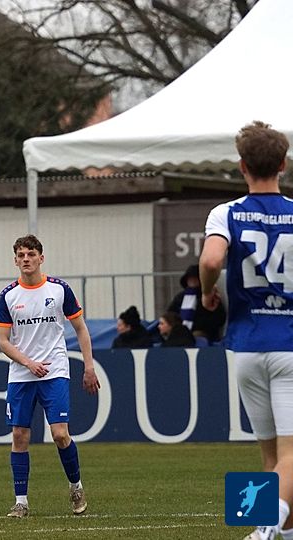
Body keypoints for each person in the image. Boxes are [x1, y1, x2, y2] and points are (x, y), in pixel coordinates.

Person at [199, 121, 293, 540]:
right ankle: (266, 526)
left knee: (271, 455)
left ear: (242, 166)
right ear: (283, 165)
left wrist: (207, 293)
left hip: (248, 346)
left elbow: (210, 261)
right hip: (289, 343)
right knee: (292, 455)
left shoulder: (226, 213)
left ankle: (267, 530)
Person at [0, 234, 100, 518]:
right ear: (15, 261)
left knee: (60, 434)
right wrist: (28, 363)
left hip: (55, 371)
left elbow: (80, 328)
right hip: (22, 374)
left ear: (41, 258)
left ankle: (76, 486)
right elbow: (2, 341)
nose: (26, 259)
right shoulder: (8, 295)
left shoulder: (59, 289)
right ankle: (21, 502)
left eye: (31, 254)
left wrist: (89, 366)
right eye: (21, 255)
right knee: (19, 435)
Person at [166, 264, 226, 341]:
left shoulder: (209, 296)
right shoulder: (180, 297)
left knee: (196, 336)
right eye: (190, 278)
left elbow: (220, 317)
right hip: (180, 331)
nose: (192, 281)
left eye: (195, 278)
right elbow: (170, 314)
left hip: (203, 332)